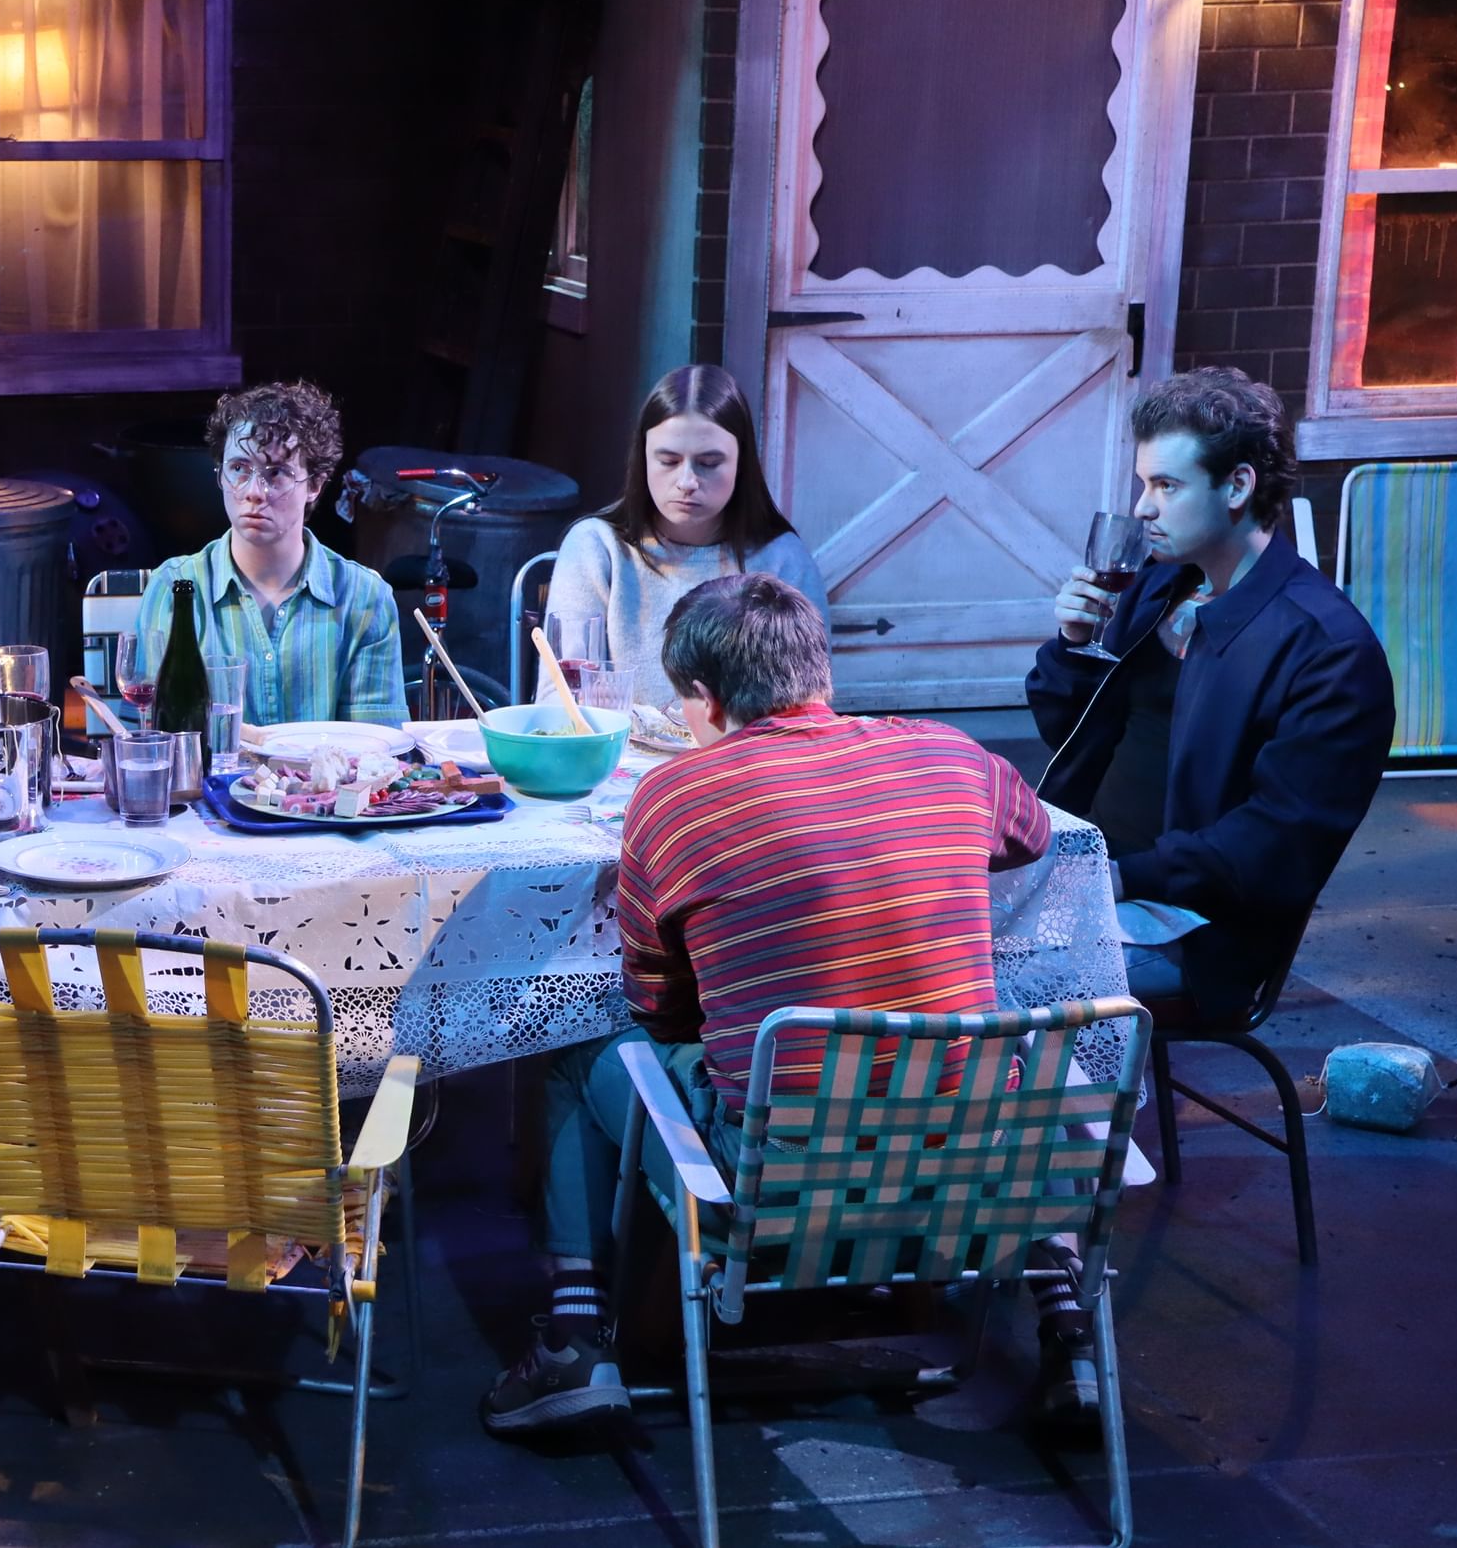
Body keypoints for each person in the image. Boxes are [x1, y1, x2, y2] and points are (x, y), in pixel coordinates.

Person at [481, 573, 1050, 1435]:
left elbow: (659, 1007)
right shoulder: (947, 755)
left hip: (774, 1189)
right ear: (823, 672)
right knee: (1017, 1031)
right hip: (970, 1179)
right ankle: (1068, 1324)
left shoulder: (673, 798)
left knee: (575, 1042)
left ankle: (574, 1342)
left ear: (703, 698)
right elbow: (1032, 833)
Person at [1027, 367, 1393, 1022]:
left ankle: (1051, 1091)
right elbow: (1069, 734)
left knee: (970, 971)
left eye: (1166, 486)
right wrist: (1075, 644)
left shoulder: (1328, 649)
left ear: (1237, 486)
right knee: (902, 913)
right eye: (1143, 484)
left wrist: (1118, 878)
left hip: (1195, 931)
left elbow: (1276, 843)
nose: (1143, 508)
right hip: (1089, 877)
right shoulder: (1158, 586)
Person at [545, 364, 830, 711]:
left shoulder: (782, 559)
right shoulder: (596, 548)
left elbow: (805, 709)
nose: (686, 482)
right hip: (617, 744)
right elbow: (558, 698)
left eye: (709, 463)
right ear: (643, 459)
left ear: (741, 464)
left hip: (743, 746)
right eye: (668, 461)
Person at [134, 380, 408, 728]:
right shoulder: (175, 588)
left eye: (276, 473)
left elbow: (375, 745)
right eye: (239, 469)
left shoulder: (363, 597)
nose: (254, 492)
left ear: (315, 485)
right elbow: (151, 738)